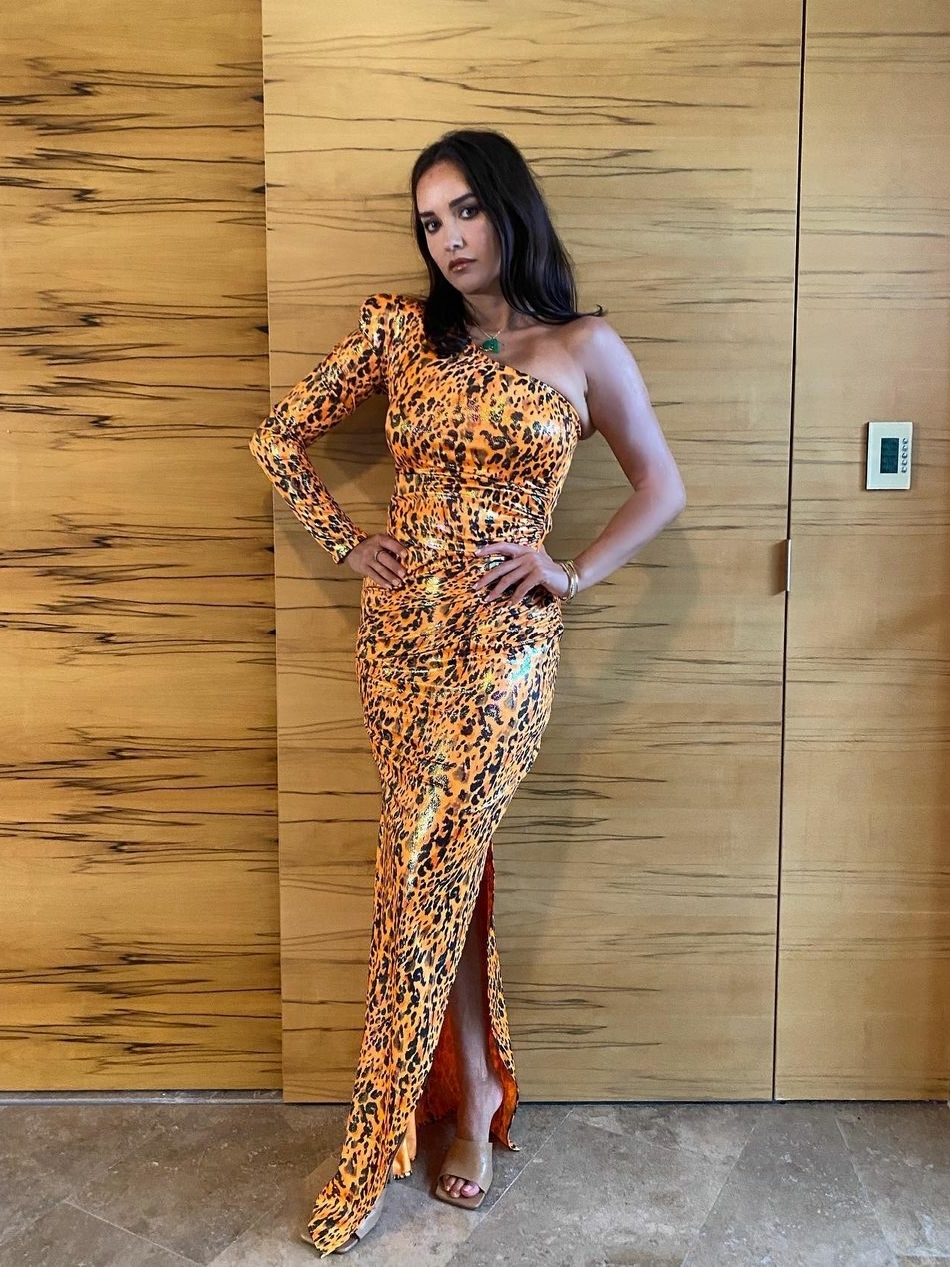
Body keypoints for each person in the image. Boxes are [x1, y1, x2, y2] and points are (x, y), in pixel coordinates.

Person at [249, 128, 686, 1257]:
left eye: (464, 212)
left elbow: (661, 485)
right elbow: (279, 440)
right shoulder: (400, 331)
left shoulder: (582, 345)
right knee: (437, 871)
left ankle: (376, 1137)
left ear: (508, 207)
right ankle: (475, 1093)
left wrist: (569, 572)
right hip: (398, 640)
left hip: (505, 649)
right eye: (429, 222)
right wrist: (349, 542)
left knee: (423, 873)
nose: (447, 239)